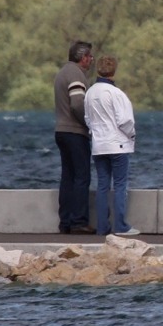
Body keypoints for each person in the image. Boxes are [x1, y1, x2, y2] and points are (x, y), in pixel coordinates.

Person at [83, 55, 138, 237]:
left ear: (98, 69)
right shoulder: (117, 94)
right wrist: (131, 135)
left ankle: (102, 227)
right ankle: (121, 226)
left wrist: (95, 133)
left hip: (99, 146)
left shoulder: (90, 92)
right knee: (120, 185)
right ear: (114, 71)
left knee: (102, 186)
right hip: (118, 145)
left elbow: (87, 119)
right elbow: (125, 121)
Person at [53, 40, 94, 235]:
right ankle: (79, 222)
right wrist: (88, 123)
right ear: (83, 57)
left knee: (67, 177)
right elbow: (77, 103)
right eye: (90, 57)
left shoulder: (62, 72)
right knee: (81, 176)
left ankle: (65, 221)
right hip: (74, 132)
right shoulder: (76, 74)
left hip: (60, 130)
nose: (91, 60)